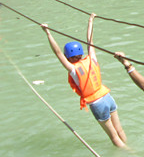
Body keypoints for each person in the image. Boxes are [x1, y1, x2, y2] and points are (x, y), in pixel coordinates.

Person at [41, 15, 128, 148]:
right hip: (107, 97)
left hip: (97, 103)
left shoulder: (73, 69)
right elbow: (90, 41)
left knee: (113, 136)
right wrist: (91, 20)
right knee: (120, 130)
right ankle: (130, 148)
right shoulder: (92, 59)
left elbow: (57, 53)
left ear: (68, 57)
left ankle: (128, 155)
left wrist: (48, 33)